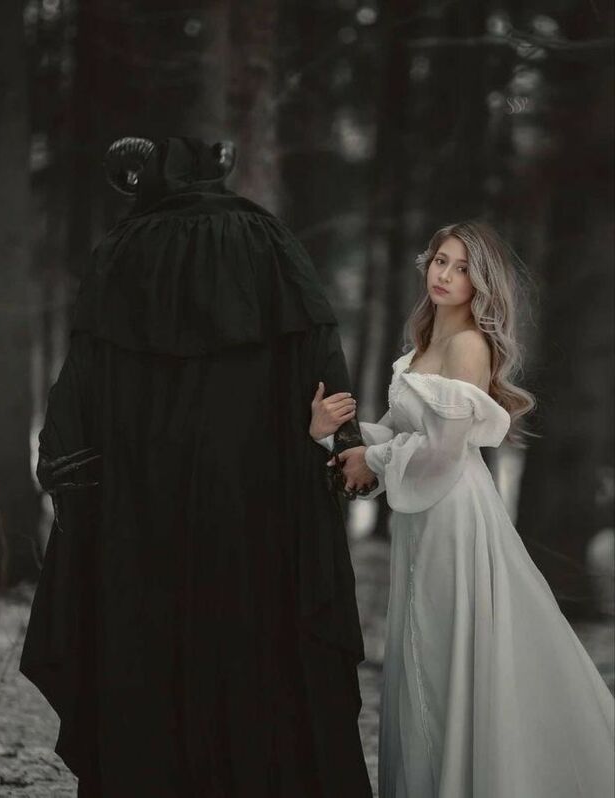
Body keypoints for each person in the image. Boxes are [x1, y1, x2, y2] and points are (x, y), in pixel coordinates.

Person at [20, 136, 374, 797]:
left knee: (147, 629)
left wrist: (64, 463)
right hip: (254, 486)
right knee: (253, 628)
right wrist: (342, 439)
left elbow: (83, 366)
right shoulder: (267, 239)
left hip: (141, 486)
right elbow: (319, 346)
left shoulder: (124, 247)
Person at [310, 221, 615, 798]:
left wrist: (371, 459)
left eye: (463, 267)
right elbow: (398, 433)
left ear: (481, 282)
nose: (446, 275)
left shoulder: (468, 345)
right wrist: (332, 434)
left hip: (452, 512)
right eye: (440, 261)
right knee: (423, 647)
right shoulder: (423, 348)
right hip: (422, 515)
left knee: (447, 648)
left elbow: (443, 450)